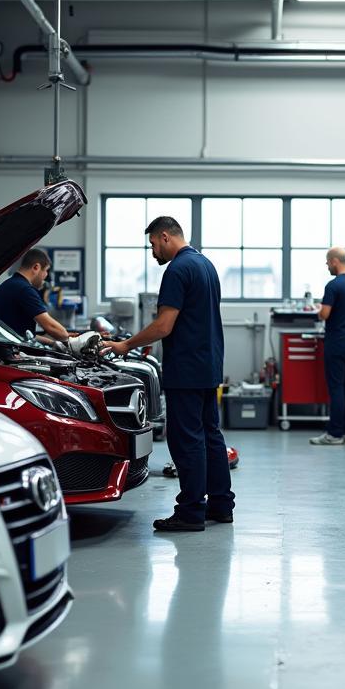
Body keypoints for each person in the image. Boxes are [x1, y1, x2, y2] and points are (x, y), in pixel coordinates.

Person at [103, 216, 234, 532]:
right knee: (210, 435)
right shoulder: (205, 264)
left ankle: (190, 511)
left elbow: (163, 325)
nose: (153, 253)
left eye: (152, 245)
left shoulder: (177, 269)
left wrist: (125, 345)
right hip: (208, 364)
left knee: (186, 438)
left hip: (186, 368)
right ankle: (220, 505)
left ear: (164, 237)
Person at [310, 246, 345, 447]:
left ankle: (334, 434)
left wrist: (319, 310)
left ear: (335, 260)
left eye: (327, 262)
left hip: (337, 343)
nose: (327, 266)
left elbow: (325, 315)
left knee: (336, 388)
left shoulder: (333, 286)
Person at [0, 248, 72, 344]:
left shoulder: (11, 284)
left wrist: (52, 343)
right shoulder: (24, 290)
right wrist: (69, 338)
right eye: (46, 270)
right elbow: (50, 326)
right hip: (9, 351)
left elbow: (24, 334)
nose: (46, 275)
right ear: (36, 267)